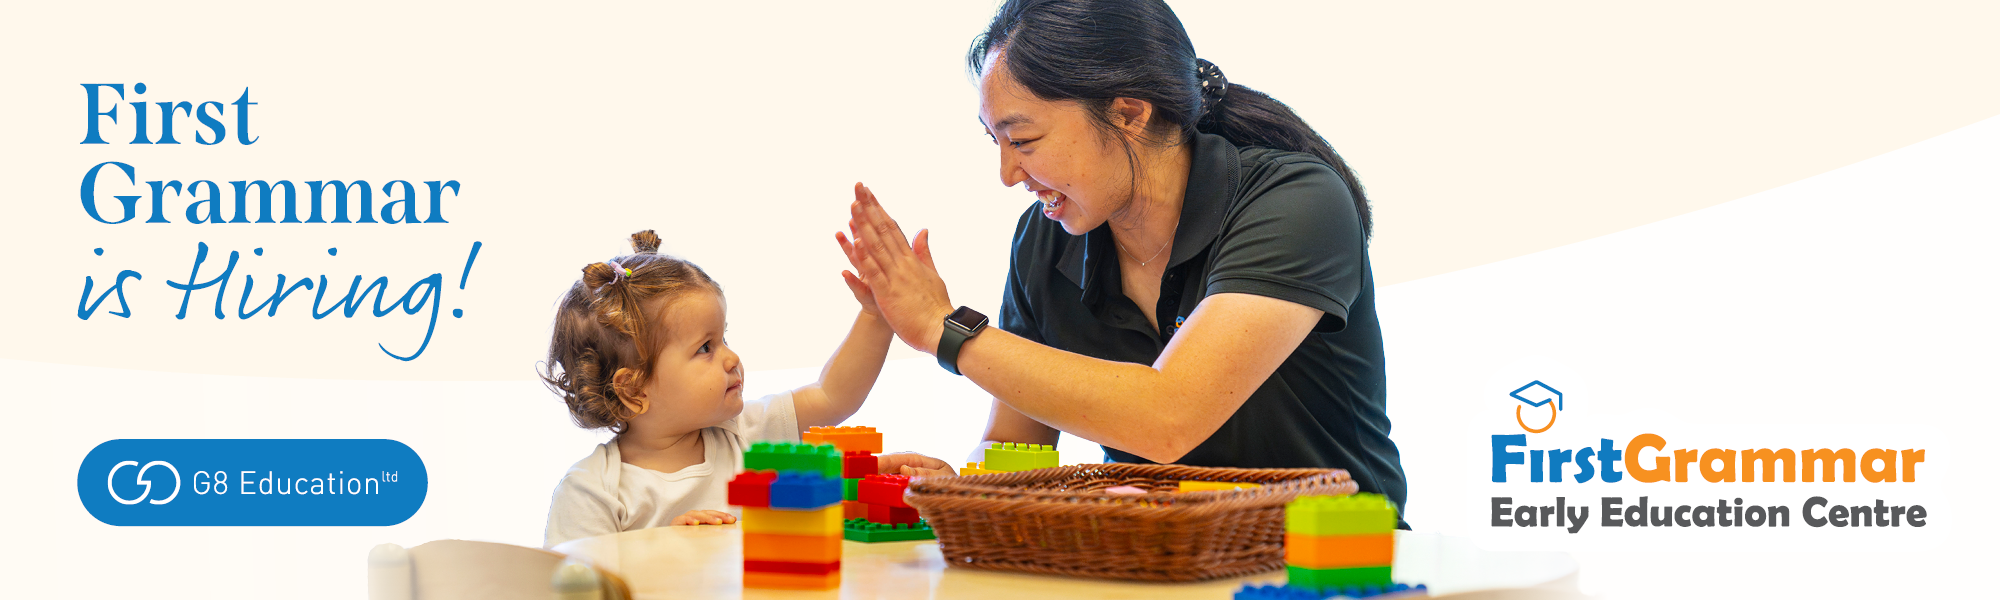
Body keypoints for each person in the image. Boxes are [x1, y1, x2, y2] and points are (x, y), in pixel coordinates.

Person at [837, 0, 1408, 521]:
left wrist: (946, 329)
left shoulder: (1296, 202)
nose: (1009, 176)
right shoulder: (1046, 239)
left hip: (1335, 564)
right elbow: (1017, 450)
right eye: (996, 142)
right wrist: (957, 486)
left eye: (1025, 141)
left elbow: (1168, 417)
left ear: (1129, 113)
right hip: (1161, 566)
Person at [541, 230, 892, 547]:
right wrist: (663, 548)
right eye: (705, 348)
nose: (732, 357)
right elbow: (576, 587)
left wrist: (876, 315)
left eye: (723, 338)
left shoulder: (746, 434)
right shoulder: (593, 491)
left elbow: (832, 395)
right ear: (634, 390)